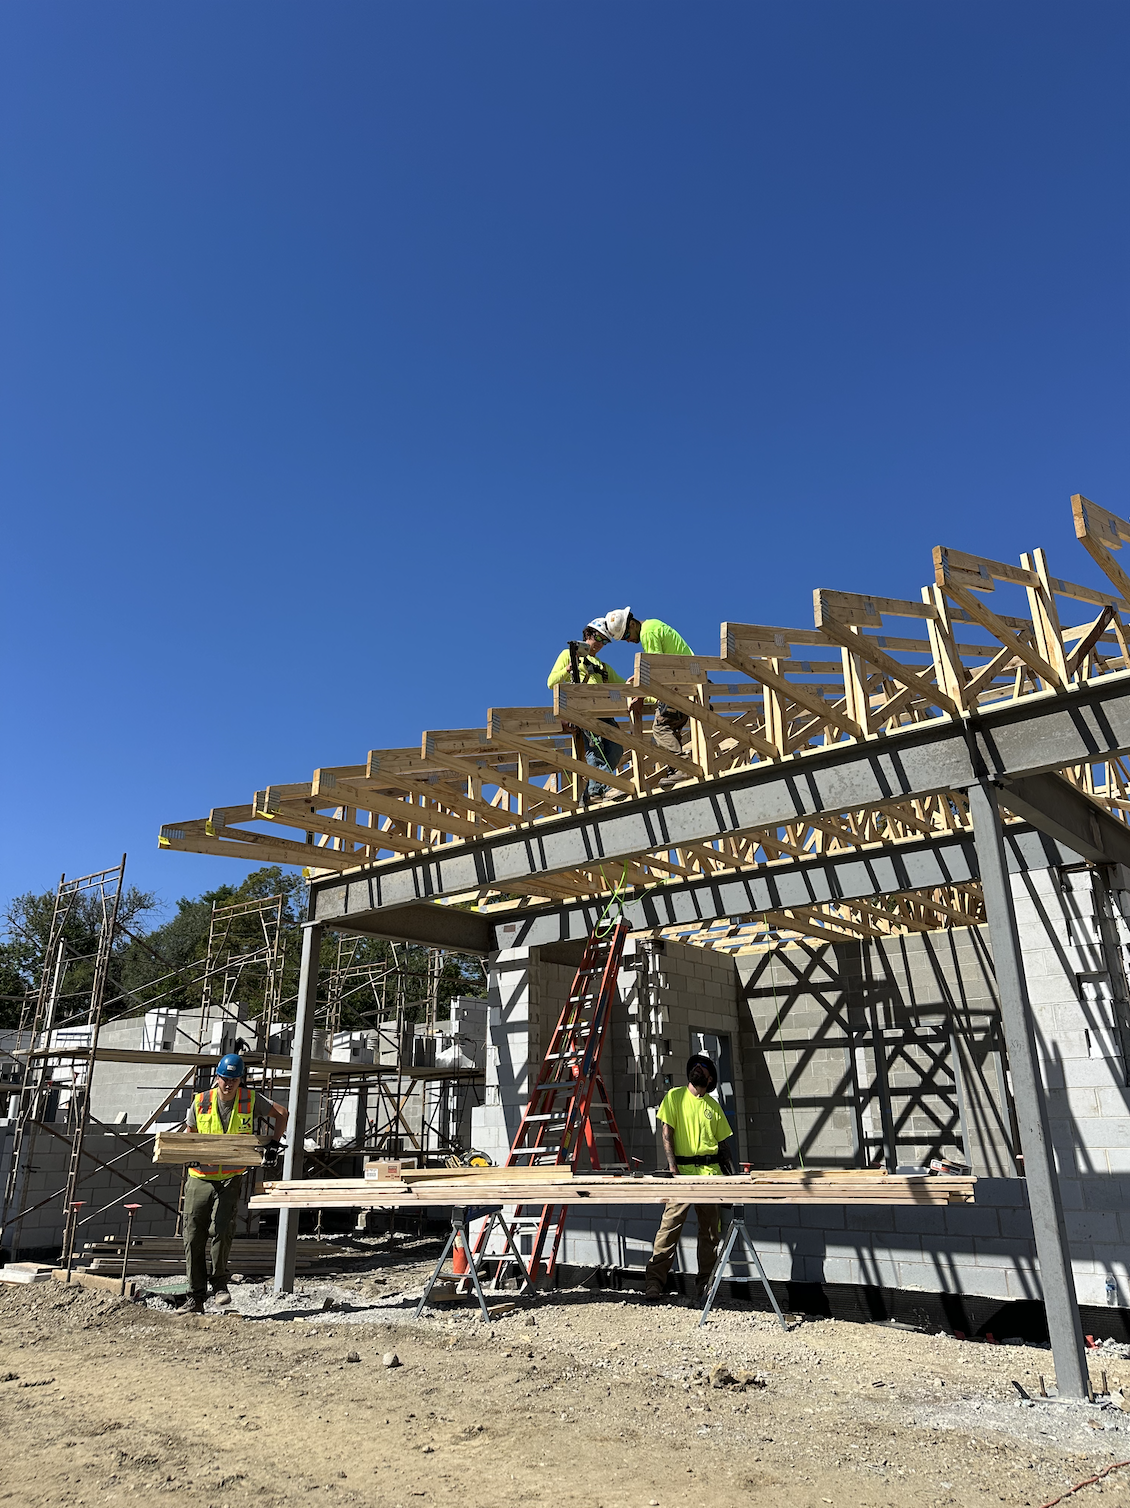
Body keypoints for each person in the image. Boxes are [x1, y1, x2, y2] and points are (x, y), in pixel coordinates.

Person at [177, 1053, 289, 1313]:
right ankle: (195, 1296)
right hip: (200, 1179)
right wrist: (187, 1154)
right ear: (217, 1077)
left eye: (234, 1080)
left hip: (230, 1177)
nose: (228, 1084)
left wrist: (274, 1142)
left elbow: (282, 1113)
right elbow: (189, 1133)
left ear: (241, 1080)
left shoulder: (250, 1099)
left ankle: (219, 1285)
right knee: (193, 1236)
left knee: (222, 1229)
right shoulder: (201, 1101)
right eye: (225, 1079)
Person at [644, 1054, 736, 1301]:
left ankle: (705, 1286)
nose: (698, 1068)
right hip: (682, 1174)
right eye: (695, 1065)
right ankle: (654, 1283)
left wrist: (733, 1178)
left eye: (703, 1067)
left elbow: (723, 1146)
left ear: (710, 1078)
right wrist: (673, 1170)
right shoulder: (674, 1096)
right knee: (669, 1227)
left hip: (710, 1175)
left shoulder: (713, 1107)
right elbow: (667, 1133)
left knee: (709, 1234)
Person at [547, 618, 627, 802]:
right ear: (588, 635)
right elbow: (551, 682)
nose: (601, 644)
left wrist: (648, 694)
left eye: (605, 642)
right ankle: (606, 787)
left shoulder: (603, 668)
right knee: (595, 748)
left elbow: (624, 687)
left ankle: (593, 791)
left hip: (604, 713)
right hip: (583, 712)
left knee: (616, 748)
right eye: (599, 639)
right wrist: (568, 668)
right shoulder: (568, 655)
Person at [603, 607, 694, 758]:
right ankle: (677, 769)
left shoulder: (647, 632)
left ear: (632, 624)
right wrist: (640, 678)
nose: (628, 640)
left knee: (661, 729)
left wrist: (641, 696)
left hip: (678, 686)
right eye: (624, 639)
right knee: (671, 728)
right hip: (686, 683)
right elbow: (657, 667)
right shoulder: (653, 625)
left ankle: (681, 768)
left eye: (626, 634)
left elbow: (656, 669)